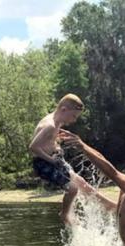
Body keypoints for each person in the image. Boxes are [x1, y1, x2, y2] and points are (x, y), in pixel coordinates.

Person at [28, 94, 86, 224]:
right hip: (43, 164)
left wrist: (57, 146)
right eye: (74, 116)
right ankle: (65, 214)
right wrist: (51, 159)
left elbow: (48, 141)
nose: (74, 120)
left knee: (80, 181)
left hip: (51, 160)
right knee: (73, 188)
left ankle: (74, 210)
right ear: (64, 110)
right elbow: (33, 147)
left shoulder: (57, 122)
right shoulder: (50, 125)